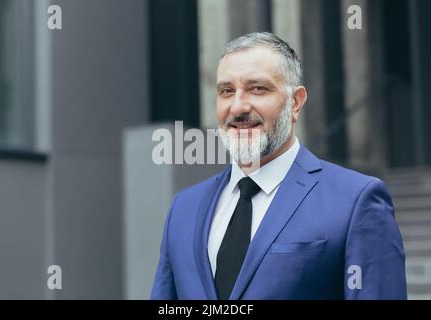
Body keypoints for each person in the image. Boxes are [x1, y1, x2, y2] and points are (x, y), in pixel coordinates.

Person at [151, 32, 407, 300]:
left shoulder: (355, 201)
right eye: (227, 91)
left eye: (257, 88)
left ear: (295, 102)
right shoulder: (183, 209)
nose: (237, 106)